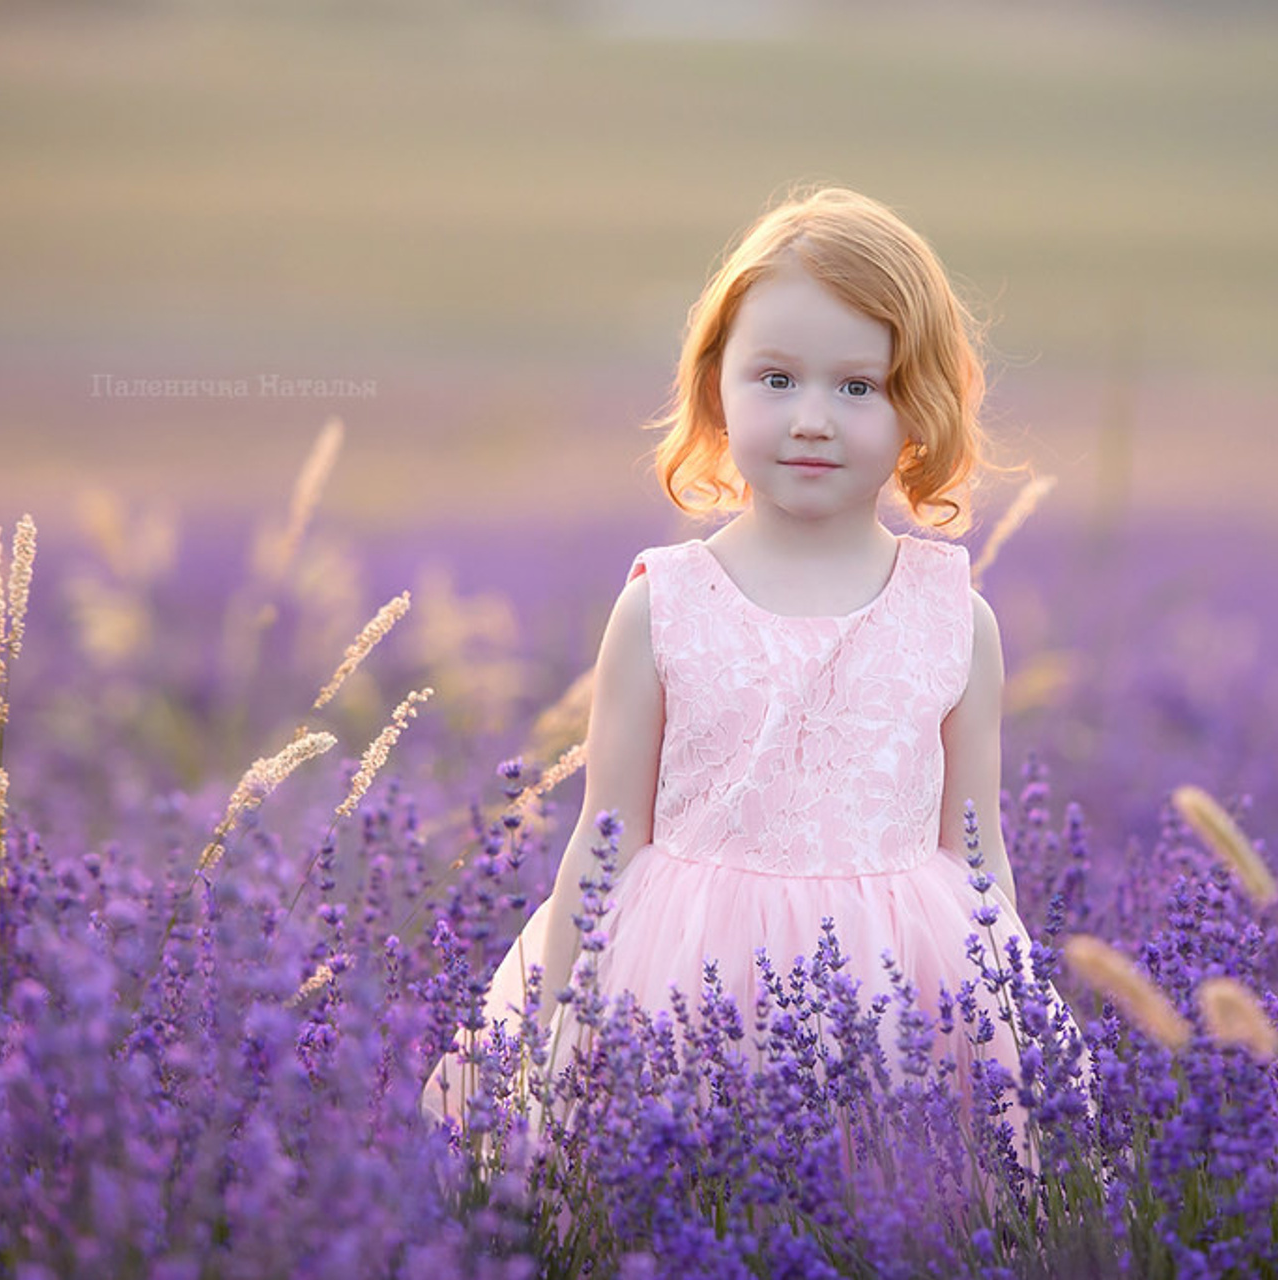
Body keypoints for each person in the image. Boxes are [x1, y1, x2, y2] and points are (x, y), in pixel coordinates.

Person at [426, 186, 1041, 1125]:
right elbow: (604, 837)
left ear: (921, 402)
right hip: (678, 986)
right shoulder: (662, 605)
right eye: (776, 379)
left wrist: (1021, 1037)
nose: (812, 418)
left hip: (898, 995)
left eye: (859, 386)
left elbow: (978, 855)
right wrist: (545, 1035)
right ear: (717, 384)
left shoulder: (956, 619)